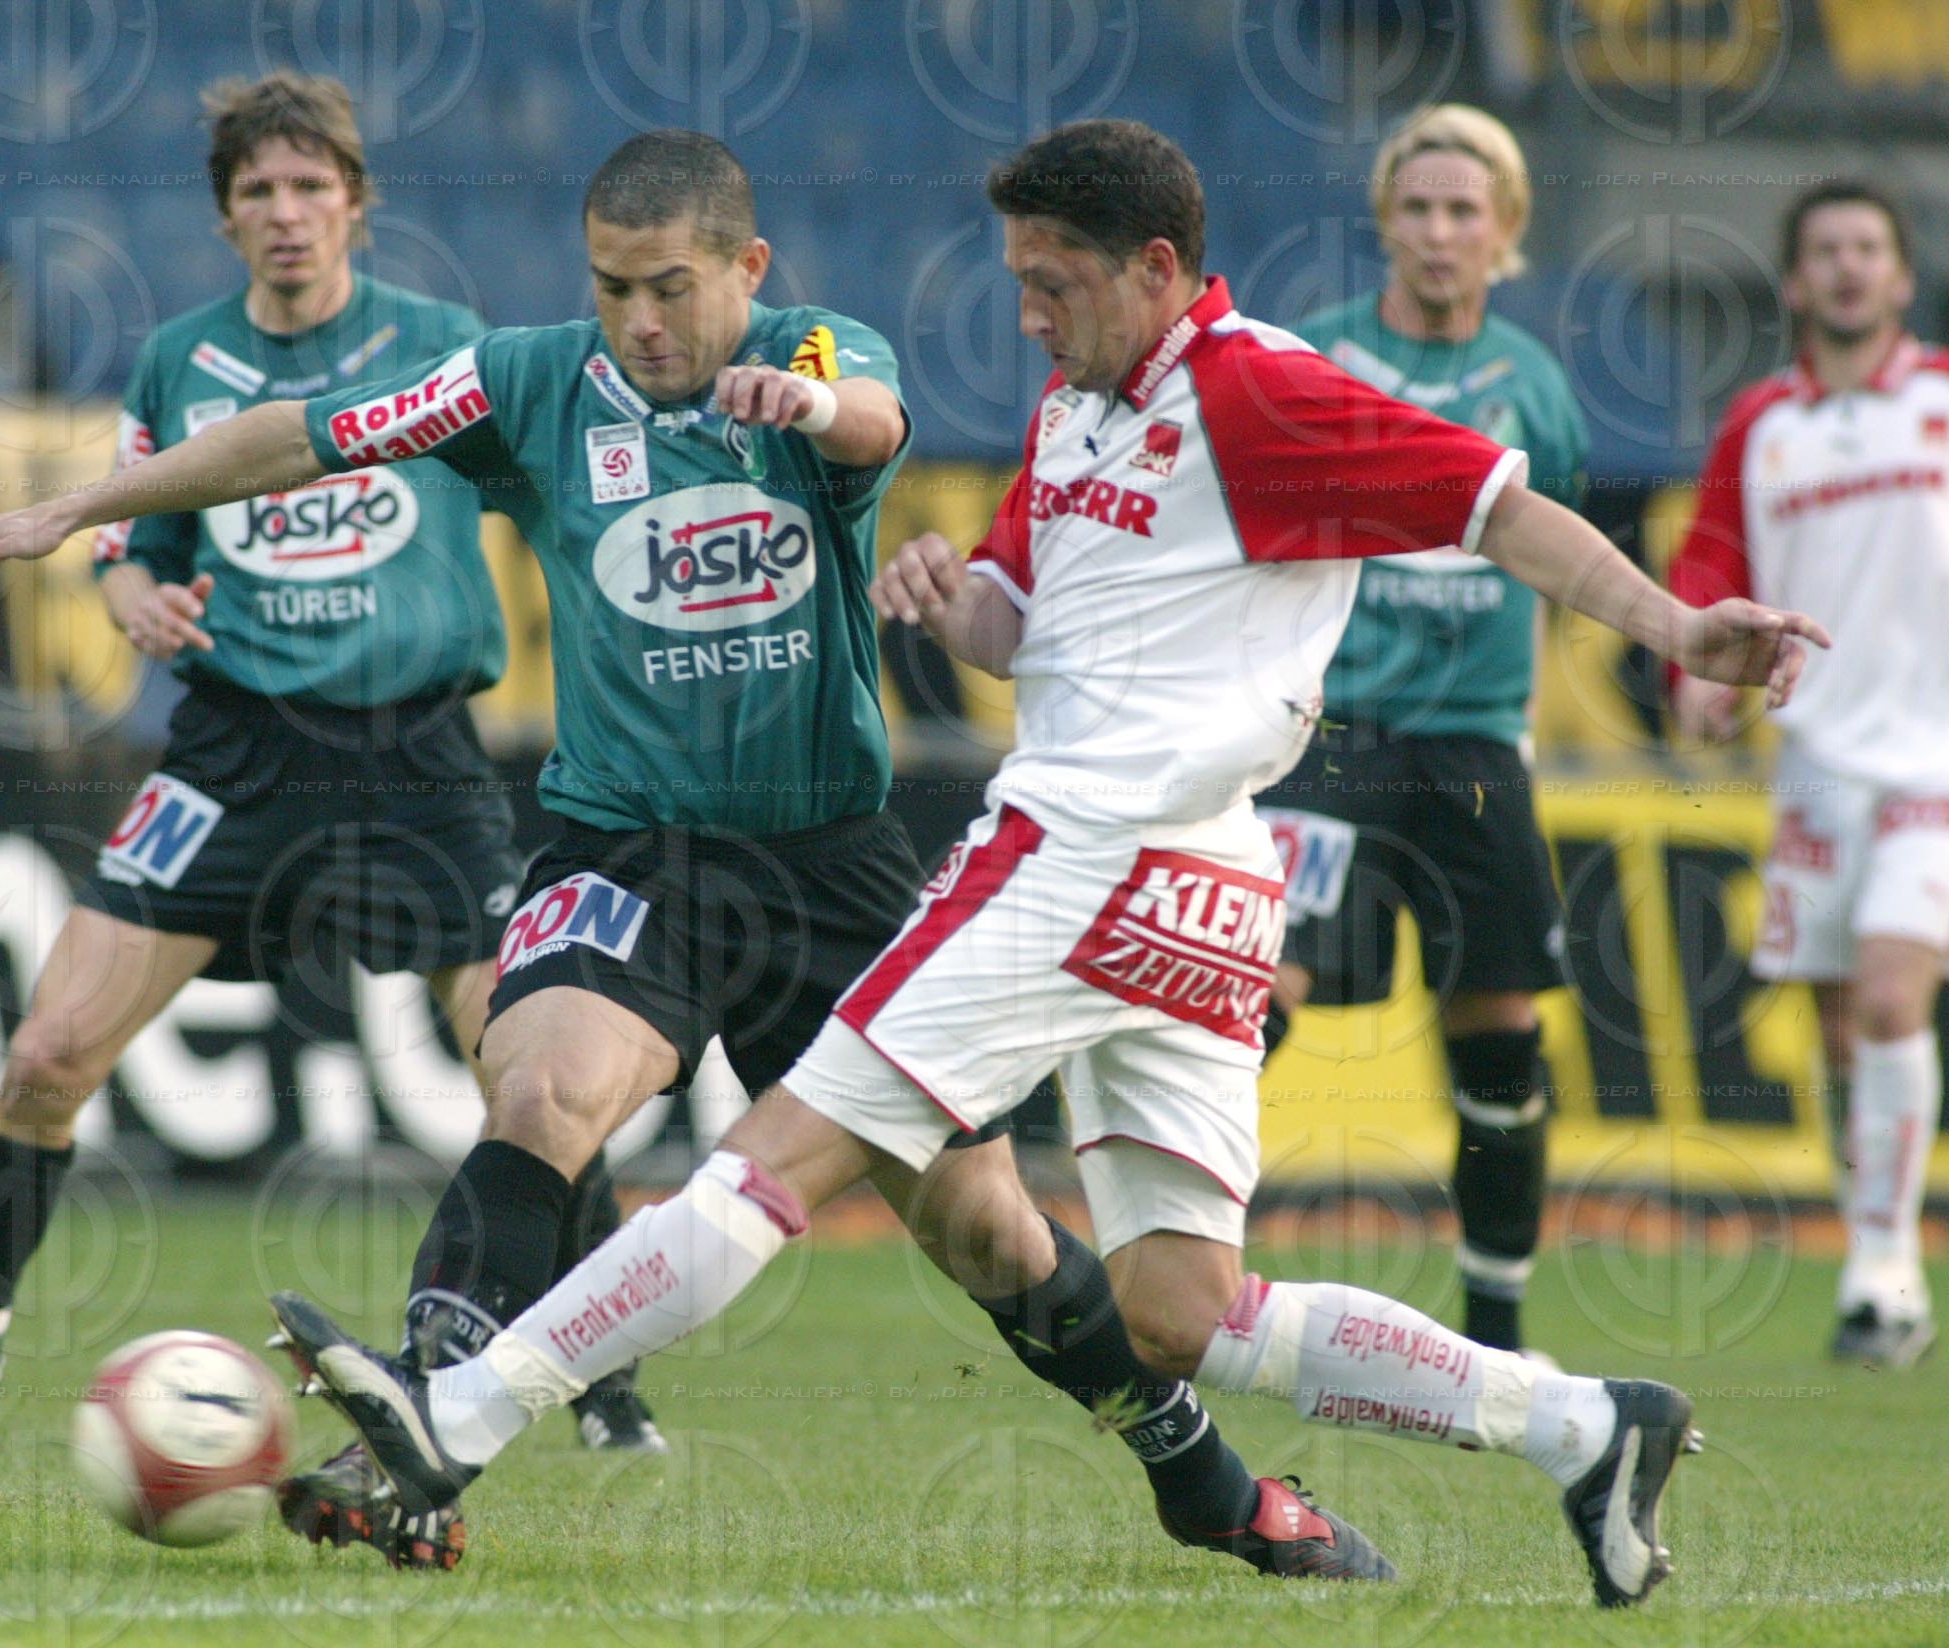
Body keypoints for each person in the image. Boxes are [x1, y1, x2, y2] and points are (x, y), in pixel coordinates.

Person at [260, 119, 1827, 1609]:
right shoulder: (1081, 410)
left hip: (1092, 847)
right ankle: (1580, 1425)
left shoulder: (1258, 389)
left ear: (1154, 265)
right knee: (1181, 1310)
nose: (1022, 313)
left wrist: (1679, 627)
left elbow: (1496, 507)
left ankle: (461, 1416)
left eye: (1050, 281)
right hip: (1201, 879)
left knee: (777, 1160)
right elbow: (1018, 623)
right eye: (1013, 279)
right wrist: (954, 593)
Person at [0, 130, 1310, 1582]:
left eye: (672, 289)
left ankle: (1199, 1476)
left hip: (827, 865)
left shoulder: (806, 343)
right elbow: (308, 435)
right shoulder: (530, 376)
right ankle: (421, 1415)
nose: (641, 322)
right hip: (626, 843)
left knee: (989, 1235)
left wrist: (810, 403)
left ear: (746, 272)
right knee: (543, 1084)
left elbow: (874, 416)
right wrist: (80, 508)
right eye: (613, 287)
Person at [0, 70, 555, 1549]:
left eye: (309, 186)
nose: (286, 214)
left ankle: (583, 1374)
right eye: (257, 193)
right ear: (225, 216)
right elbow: (138, 546)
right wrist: (138, 593)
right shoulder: (180, 359)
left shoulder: (447, 350)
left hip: (419, 754)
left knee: (533, 1080)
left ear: (357, 197)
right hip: (233, 754)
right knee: (49, 1050)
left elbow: (546, 500)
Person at [1255, 105, 1590, 1356]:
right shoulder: (1318, 361)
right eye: (1417, 208)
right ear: (1384, 221)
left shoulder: (1534, 389)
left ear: (1504, 229)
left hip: (1471, 745)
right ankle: (1176, 1268)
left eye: (1465, 211)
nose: (1439, 232)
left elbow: (1554, 552)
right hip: (1330, 737)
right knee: (1250, 990)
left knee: (1498, 1035)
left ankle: (1496, 1331)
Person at [1669, 180, 1946, 1369]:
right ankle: (1872, 1247)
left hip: (1933, 761)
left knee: (1890, 999)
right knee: (1842, 1029)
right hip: (1819, 767)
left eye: (1865, 250)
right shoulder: (1759, 425)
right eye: (1823, 250)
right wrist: (1699, 677)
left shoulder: (1939, 398)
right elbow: (1709, 562)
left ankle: (1881, 1280)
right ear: (1792, 280)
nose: (1844, 268)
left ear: (1895, 276)